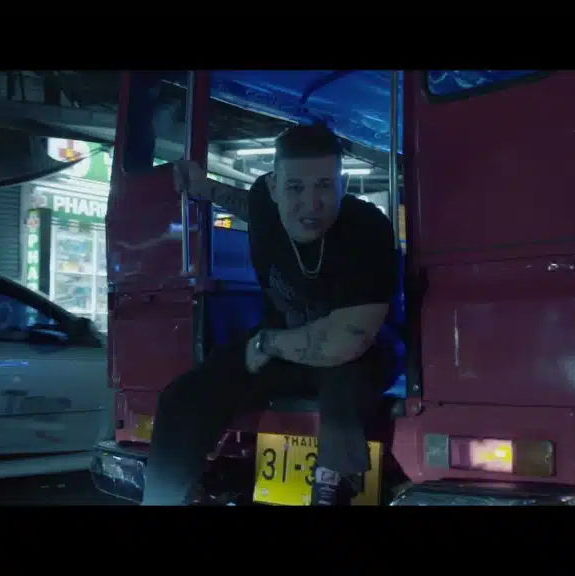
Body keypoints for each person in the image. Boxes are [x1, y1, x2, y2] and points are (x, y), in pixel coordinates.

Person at [142, 123, 399, 506]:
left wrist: (267, 344)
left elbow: (348, 340)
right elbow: (245, 203)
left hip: (356, 350)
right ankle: (165, 497)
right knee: (182, 399)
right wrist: (202, 187)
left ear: (342, 186)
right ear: (275, 187)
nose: (311, 204)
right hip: (281, 345)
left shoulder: (368, 229)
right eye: (295, 188)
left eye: (324, 186)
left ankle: (334, 483)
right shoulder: (264, 202)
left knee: (345, 387)